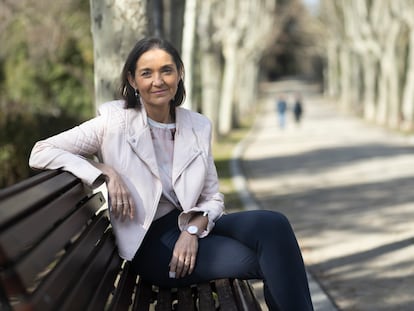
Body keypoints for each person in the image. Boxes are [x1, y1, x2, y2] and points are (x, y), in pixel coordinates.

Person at [29, 37, 313, 311]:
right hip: (150, 243)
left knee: (273, 224)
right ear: (132, 80)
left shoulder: (198, 125)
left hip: (189, 225)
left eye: (166, 70)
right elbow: (41, 151)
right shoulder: (113, 122)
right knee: (272, 260)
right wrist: (105, 172)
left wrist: (192, 229)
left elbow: (213, 197)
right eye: (146, 73)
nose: (158, 81)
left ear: (179, 74)